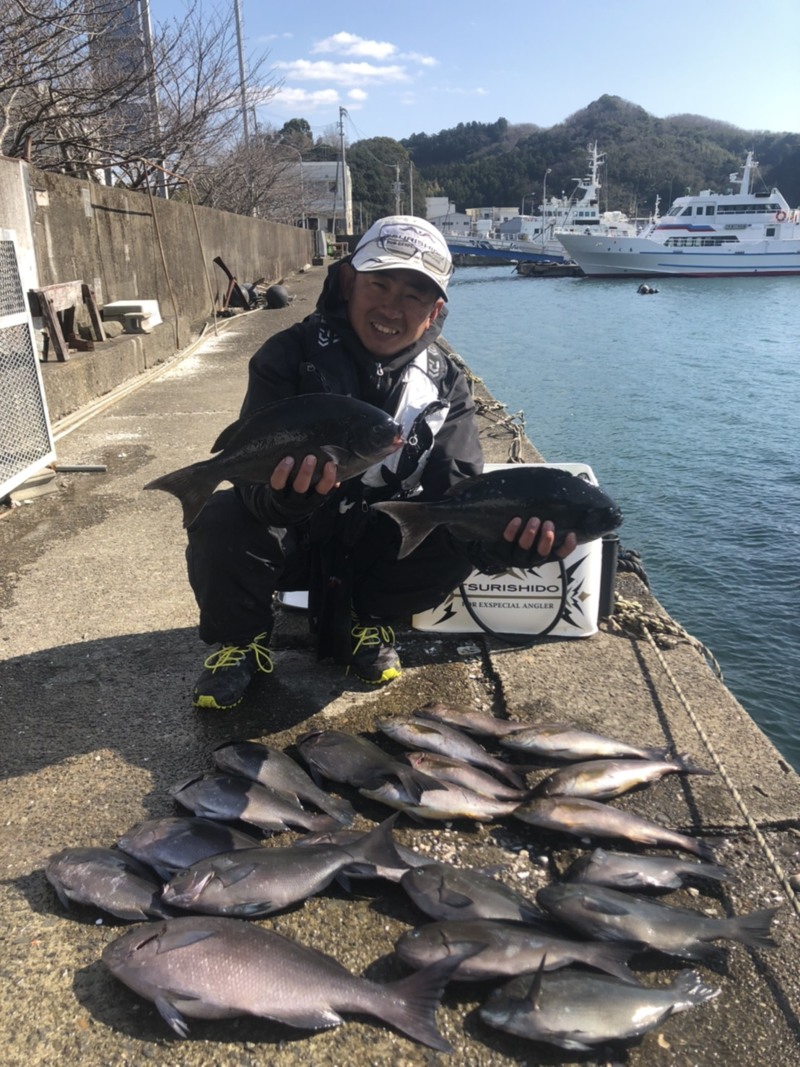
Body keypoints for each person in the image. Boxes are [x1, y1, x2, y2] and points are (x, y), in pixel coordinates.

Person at [186, 215, 576, 710]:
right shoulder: (286, 355)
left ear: (434, 312)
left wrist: (500, 548)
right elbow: (250, 476)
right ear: (349, 281)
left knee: (447, 524)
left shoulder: (447, 384)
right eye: (380, 283)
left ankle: (365, 623)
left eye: (414, 295)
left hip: (378, 542)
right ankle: (240, 642)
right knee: (219, 516)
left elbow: (457, 491)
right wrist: (284, 500)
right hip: (292, 537)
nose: (392, 306)